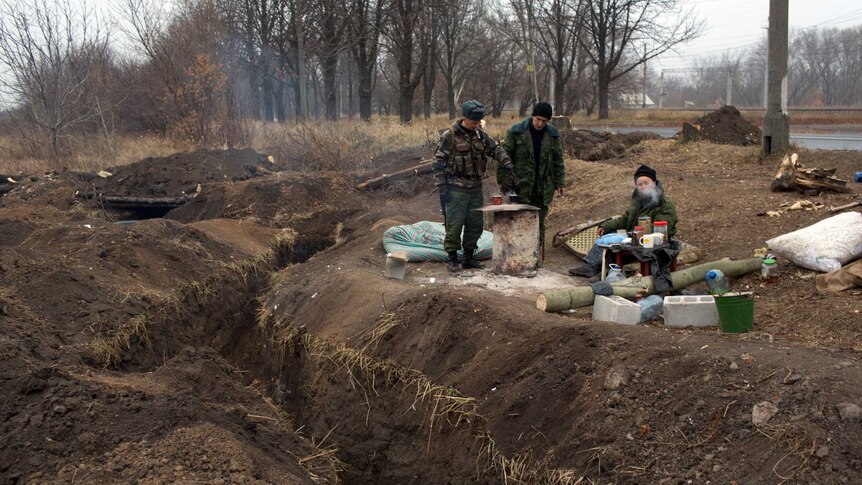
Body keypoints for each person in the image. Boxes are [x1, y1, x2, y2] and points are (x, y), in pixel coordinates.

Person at [433, 100, 515, 273]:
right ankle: (452, 259)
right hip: (456, 190)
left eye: (479, 121)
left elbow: (495, 149)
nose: (477, 124)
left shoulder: (480, 135)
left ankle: (468, 258)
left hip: (475, 189)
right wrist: (442, 188)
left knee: (475, 224)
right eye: (474, 121)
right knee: (454, 226)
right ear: (464, 117)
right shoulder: (450, 136)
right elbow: (438, 164)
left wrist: (506, 162)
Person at [569, 164, 678, 280]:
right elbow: (625, 219)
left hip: (654, 243)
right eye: (640, 184)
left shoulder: (664, 204)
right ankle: (595, 268)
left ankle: (601, 271)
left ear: (654, 183)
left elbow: (660, 228)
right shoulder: (638, 202)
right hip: (635, 238)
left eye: (646, 183)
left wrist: (635, 234)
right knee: (606, 238)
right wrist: (606, 227)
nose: (643, 187)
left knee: (615, 241)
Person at [499, 102, 565, 251]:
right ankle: (516, 252)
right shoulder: (516, 132)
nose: (540, 124)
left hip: (543, 186)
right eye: (538, 119)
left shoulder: (553, 135)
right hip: (520, 185)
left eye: (544, 121)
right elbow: (504, 157)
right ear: (532, 116)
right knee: (518, 218)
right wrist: (502, 181)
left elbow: (557, 160)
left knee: (538, 220)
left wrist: (560, 182)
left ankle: (535, 251)